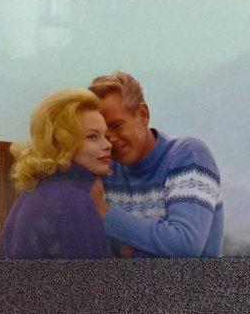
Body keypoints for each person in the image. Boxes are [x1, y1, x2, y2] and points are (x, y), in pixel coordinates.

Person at [89, 71, 224, 257]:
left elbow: (185, 244)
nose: (110, 139)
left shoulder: (188, 156)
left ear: (143, 115)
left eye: (117, 125)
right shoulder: (105, 170)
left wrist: (106, 214)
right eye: (101, 133)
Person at [0, 89, 113, 259]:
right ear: (62, 142)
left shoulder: (29, 196)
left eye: (106, 136)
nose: (108, 145)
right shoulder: (75, 204)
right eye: (93, 137)